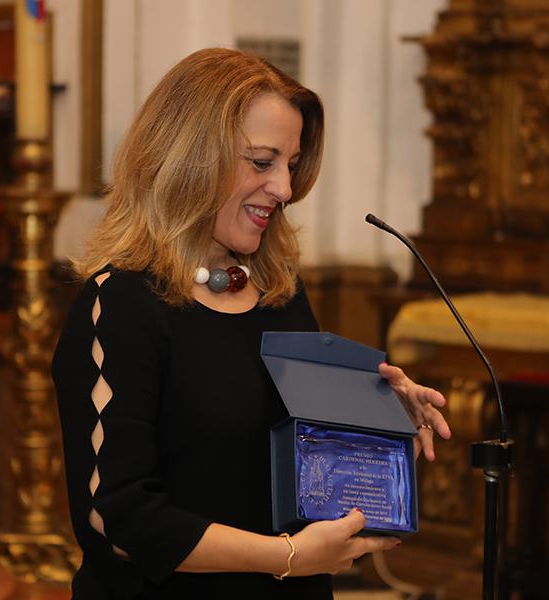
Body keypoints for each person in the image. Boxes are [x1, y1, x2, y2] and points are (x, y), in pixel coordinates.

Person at [51, 47, 451, 599]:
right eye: (263, 162)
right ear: (191, 156)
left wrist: (374, 415)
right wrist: (286, 557)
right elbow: (118, 519)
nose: (284, 189)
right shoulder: (120, 303)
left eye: (291, 164)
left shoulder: (280, 292)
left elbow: (298, 458)